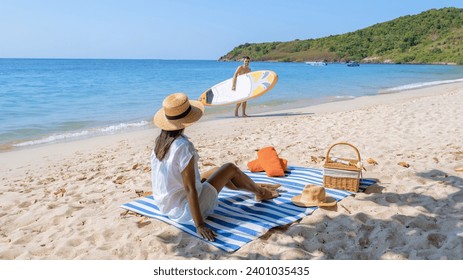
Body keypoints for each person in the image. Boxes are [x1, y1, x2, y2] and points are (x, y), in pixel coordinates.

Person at [151, 92, 279, 241]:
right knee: (230, 168)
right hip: (186, 210)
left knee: (217, 171)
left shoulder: (160, 143)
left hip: (167, 206)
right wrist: (199, 225)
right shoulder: (183, 146)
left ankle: (252, 186)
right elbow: (190, 189)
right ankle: (261, 192)